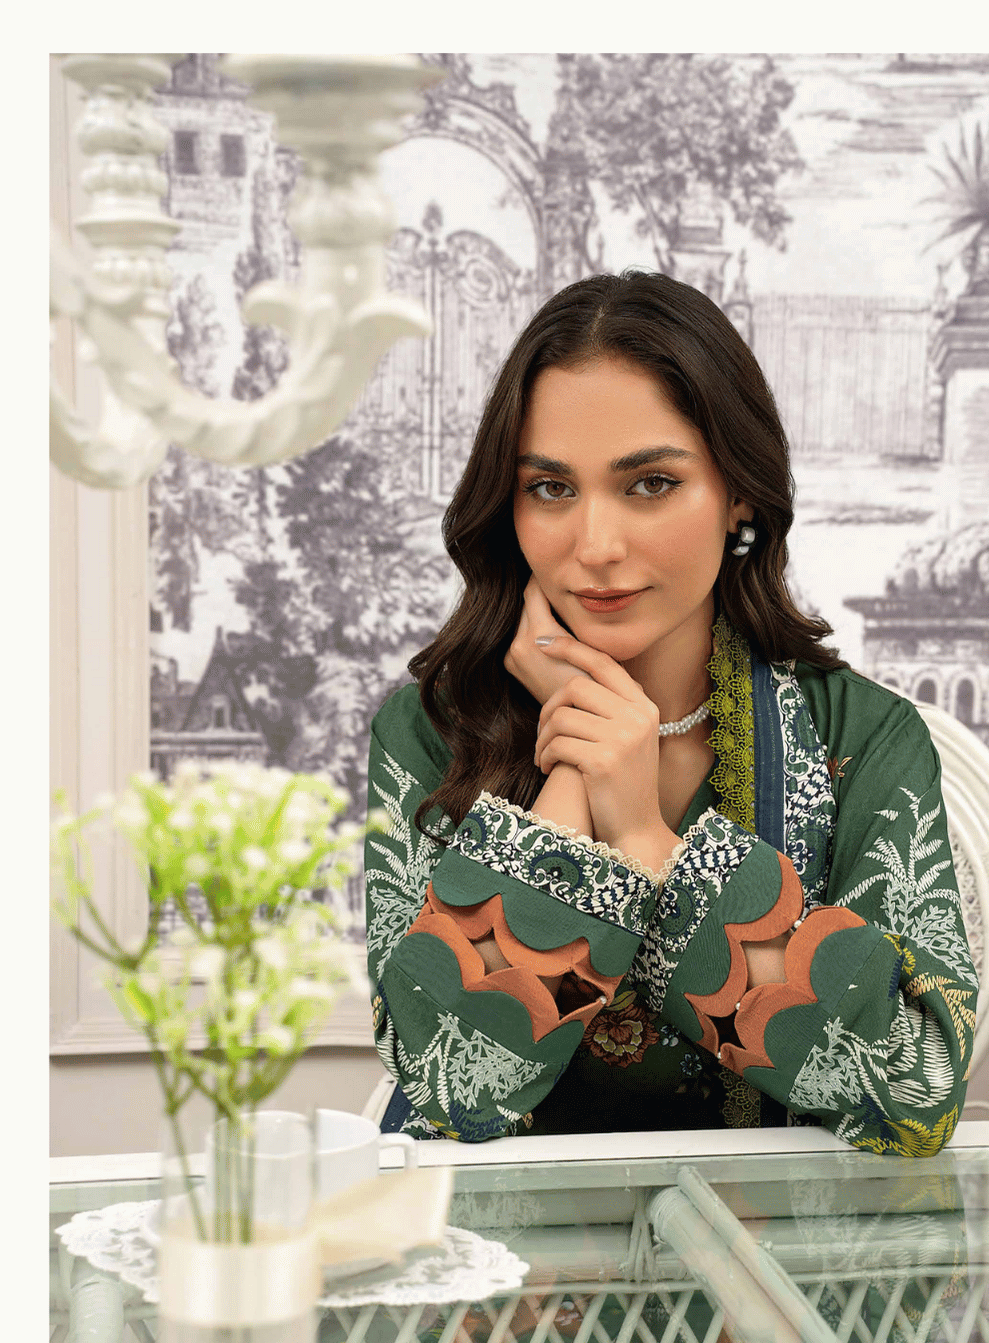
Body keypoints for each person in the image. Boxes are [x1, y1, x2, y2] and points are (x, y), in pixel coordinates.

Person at [364, 269, 977, 1155]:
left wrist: (649, 839)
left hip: (786, 1270)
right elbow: (451, 1087)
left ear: (737, 495)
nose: (595, 547)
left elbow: (912, 1092)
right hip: (512, 1273)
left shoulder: (863, 738)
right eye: (549, 488)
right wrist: (573, 777)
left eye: (648, 484)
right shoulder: (426, 735)